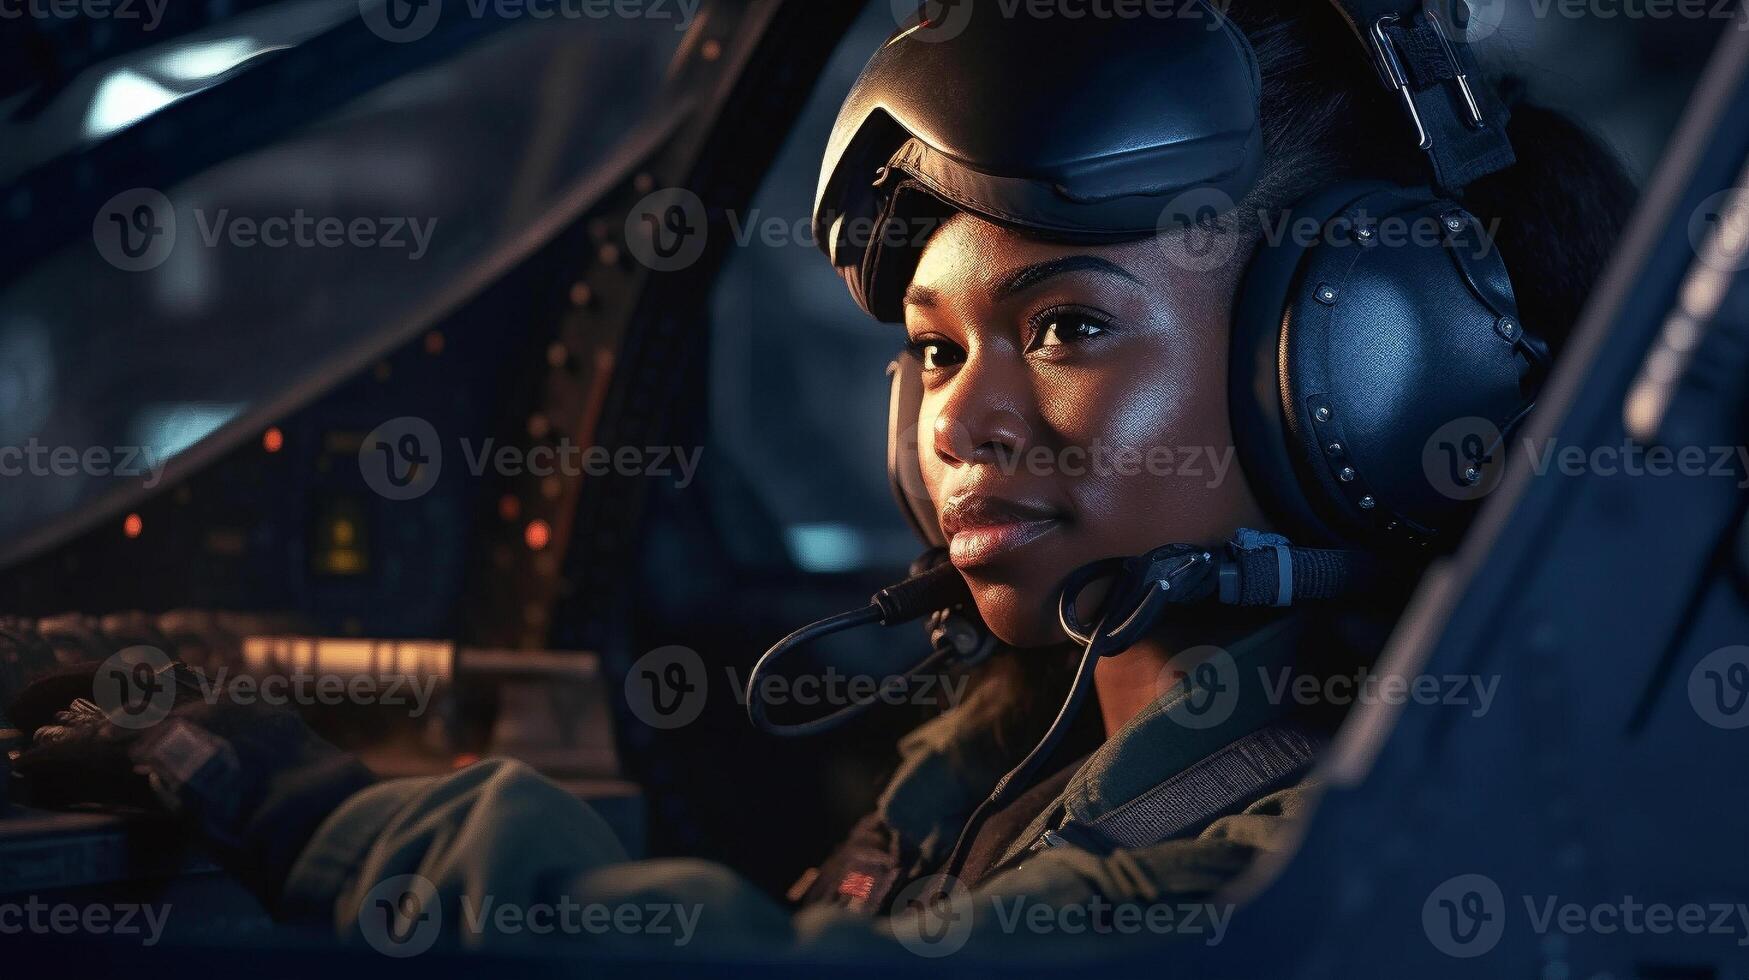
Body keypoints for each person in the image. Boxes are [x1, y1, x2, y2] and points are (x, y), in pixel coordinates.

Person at [6, 0, 1633, 960]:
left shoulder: (1336, 857)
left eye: (1062, 326)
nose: (960, 422)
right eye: (930, 351)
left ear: (1363, 370)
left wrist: (324, 813)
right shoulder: (1012, 748)